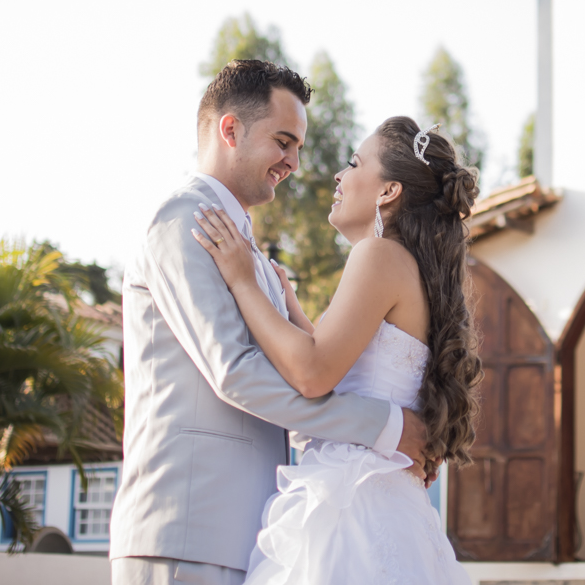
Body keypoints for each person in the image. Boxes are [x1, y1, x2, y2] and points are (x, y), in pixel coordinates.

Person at [110, 61, 431, 585]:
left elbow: (303, 374)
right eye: (284, 142)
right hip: (187, 528)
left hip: (254, 535)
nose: (295, 163)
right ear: (230, 129)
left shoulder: (245, 251)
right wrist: (385, 428)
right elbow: (236, 372)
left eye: (299, 147)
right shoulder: (183, 223)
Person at [191, 115, 481, 584]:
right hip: (389, 503)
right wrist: (290, 308)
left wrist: (243, 280)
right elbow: (347, 363)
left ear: (388, 192)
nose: (338, 176)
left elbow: (312, 373)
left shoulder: (378, 255)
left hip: (356, 506)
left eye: (353, 163)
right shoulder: (414, 270)